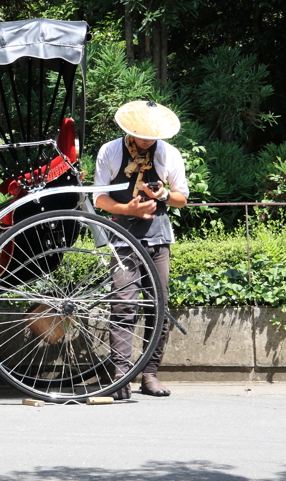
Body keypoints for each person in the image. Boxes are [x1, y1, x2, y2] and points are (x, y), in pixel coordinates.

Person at [93, 100, 188, 400]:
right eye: (141, 134)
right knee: (123, 304)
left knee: (158, 305)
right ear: (130, 130)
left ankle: (149, 374)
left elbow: (182, 198)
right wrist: (127, 209)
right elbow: (98, 198)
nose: (147, 140)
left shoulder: (168, 154)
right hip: (121, 237)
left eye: (152, 135)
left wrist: (164, 195)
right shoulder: (110, 151)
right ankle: (120, 374)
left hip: (158, 237)